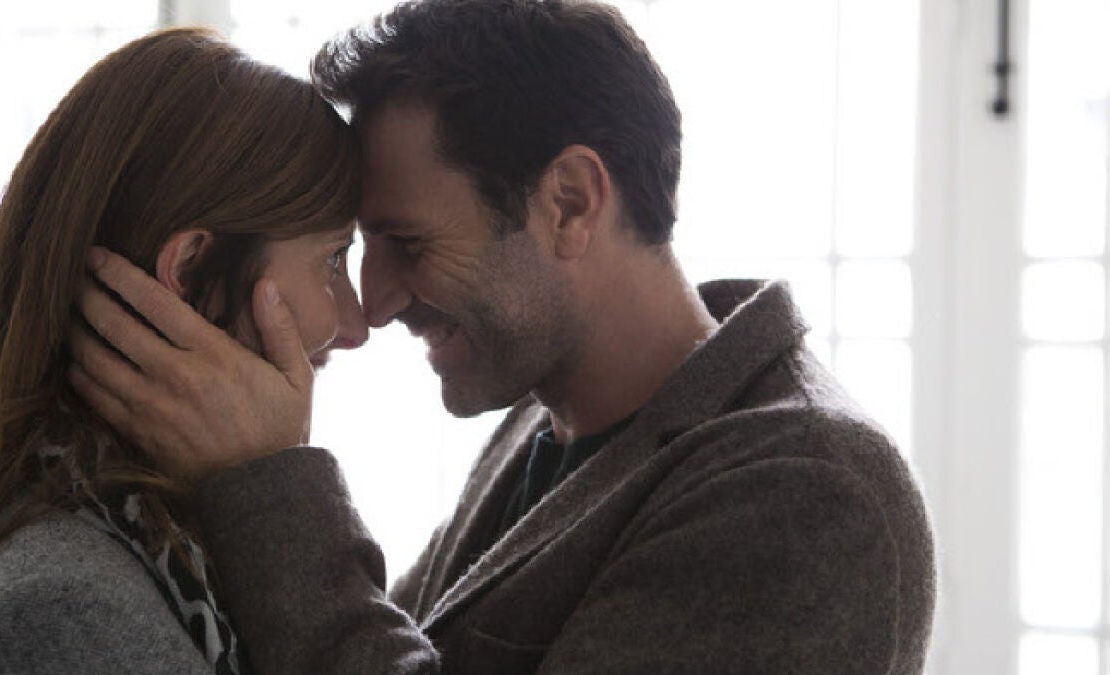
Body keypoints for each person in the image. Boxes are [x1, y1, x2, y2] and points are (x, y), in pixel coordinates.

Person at [71, 1, 938, 673]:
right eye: (352, 249)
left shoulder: (807, 493)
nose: (373, 305)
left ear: (568, 202)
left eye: (407, 243)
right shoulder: (543, 419)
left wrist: (266, 482)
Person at [0, 27, 376, 674]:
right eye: (333, 258)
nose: (354, 324)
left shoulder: (115, 552)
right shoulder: (62, 613)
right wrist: (278, 484)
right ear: (190, 269)